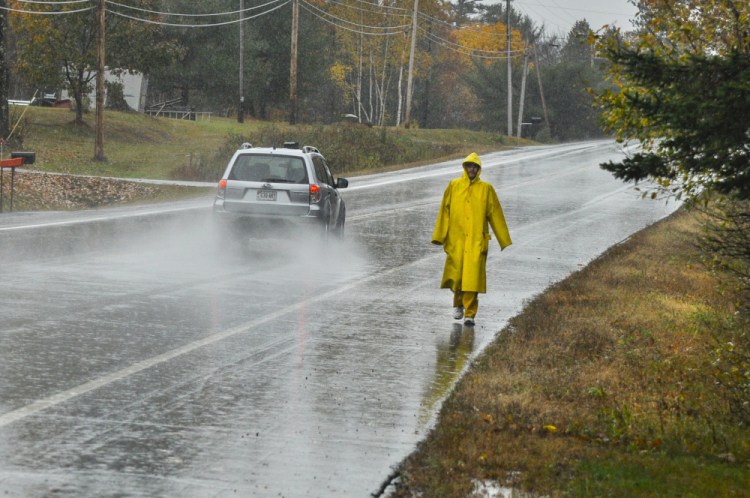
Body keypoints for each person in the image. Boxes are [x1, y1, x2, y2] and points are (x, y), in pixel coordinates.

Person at [431, 152, 512, 326]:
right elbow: (444, 211)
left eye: (475, 167)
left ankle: (470, 313)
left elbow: (495, 213)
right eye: (469, 166)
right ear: (464, 167)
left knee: (472, 277)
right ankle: (457, 304)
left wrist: (503, 238)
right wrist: (440, 236)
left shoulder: (486, 189)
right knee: (457, 275)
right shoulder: (454, 186)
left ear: (479, 169)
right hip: (456, 239)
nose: (472, 169)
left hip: (476, 239)